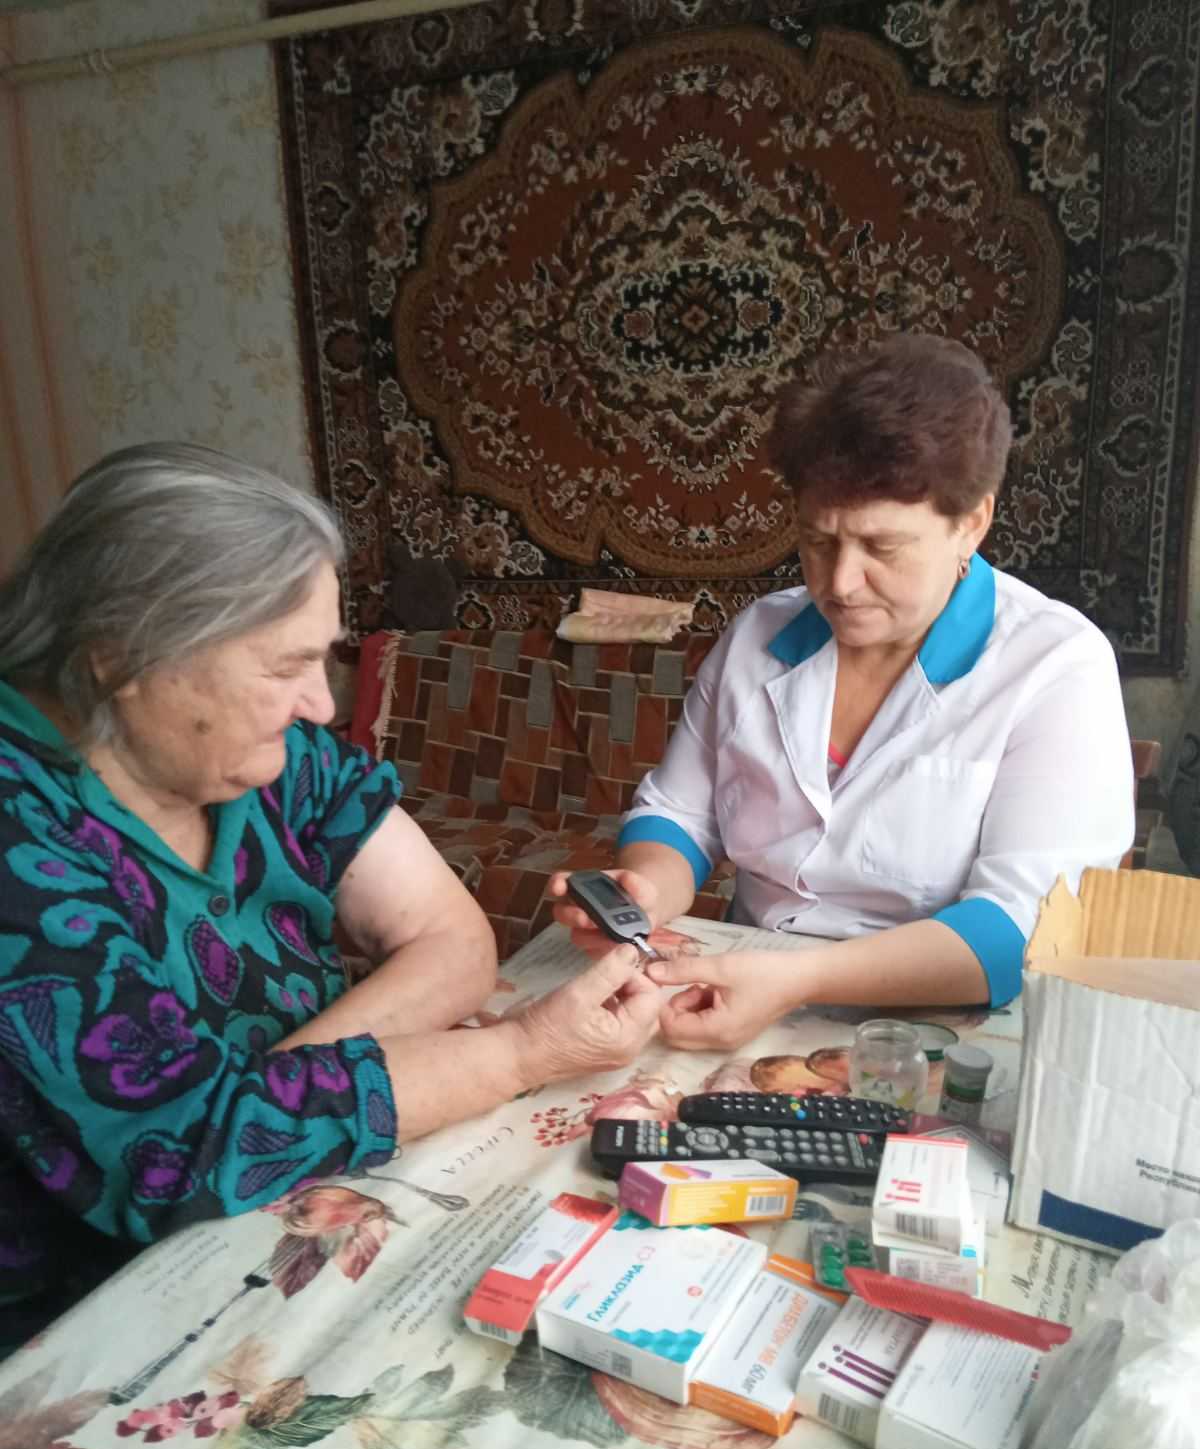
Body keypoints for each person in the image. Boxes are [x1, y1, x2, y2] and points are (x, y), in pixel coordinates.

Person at [0, 444, 659, 1342]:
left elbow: (451, 938)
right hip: (87, 1314)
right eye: (285, 668)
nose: (319, 703)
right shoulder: (20, 831)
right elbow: (177, 1163)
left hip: (276, 1207)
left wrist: (260, 1102)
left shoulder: (278, 758)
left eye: (324, 660)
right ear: (123, 656)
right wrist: (518, 1053)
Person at [551, 334, 1134, 1048]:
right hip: (739, 987)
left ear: (971, 523)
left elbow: (1022, 930)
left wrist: (800, 979)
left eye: (882, 547)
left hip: (938, 1025)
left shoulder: (1054, 666)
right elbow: (677, 815)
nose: (839, 583)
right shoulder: (759, 636)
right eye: (818, 541)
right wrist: (643, 892)